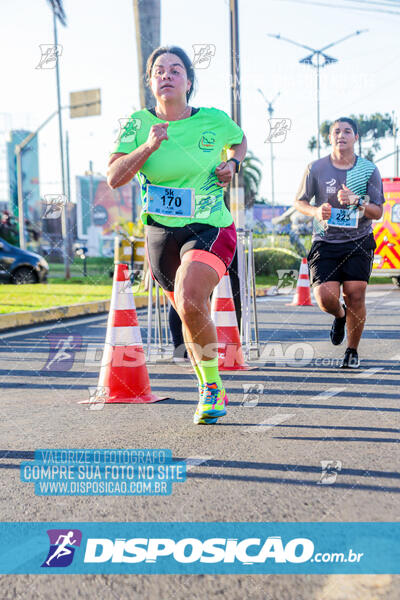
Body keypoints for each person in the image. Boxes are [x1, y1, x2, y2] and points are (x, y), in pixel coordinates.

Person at [107, 46, 247, 422]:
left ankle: (213, 387)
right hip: (160, 233)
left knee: (189, 293)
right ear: (151, 82)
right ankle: (207, 387)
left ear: (188, 80)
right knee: (187, 309)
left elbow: (239, 140)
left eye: (175, 70)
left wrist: (231, 163)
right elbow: (114, 177)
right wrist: (149, 146)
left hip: (209, 225)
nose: (166, 75)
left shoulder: (213, 120)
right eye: (158, 71)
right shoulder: (136, 124)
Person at [294, 117, 385, 368]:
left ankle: (352, 350)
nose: (341, 135)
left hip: (359, 240)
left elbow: (378, 212)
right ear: (330, 137)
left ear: (356, 137)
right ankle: (340, 315)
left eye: (347, 131)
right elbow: (299, 202)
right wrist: (315, 211)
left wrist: (358, 200)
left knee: (356, 294)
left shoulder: (368, 169)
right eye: (336, 131)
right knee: (324, 297)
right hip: (325, 240)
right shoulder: (316, 168)